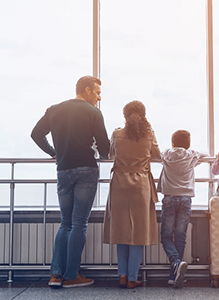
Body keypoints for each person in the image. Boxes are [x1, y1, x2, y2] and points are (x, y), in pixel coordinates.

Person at [31, 75, 110, 288]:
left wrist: (53, 152)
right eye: (97, 92)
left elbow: (36, 134)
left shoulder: (54, 109)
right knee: (79, 223)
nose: (99, 97)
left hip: (63, 170)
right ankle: (72, 275)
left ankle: (55, 275)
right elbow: (104, 147)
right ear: (86, 90)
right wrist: (102, 154)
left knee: (65, 223)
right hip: (86, 170)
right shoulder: (94, 112)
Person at [103, 100, 160, 289]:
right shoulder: (149, 135)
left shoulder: (117, 133)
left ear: (125, 116)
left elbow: (111, 154)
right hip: (140, 184)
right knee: (138, 232)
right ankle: (132, 277)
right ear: (144, 115)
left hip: (119, 183)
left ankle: (122, 275)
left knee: (121, 230)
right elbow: (157, 155)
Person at [157, 130, 208, 288]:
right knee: (180, 236)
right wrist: (191, 151)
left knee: (166, 236)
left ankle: (176, 265)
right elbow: (205, 154)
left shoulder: (166, 155)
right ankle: (176, 273)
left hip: (169, 198)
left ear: (172, 143)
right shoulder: (191, 155)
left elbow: (154, 154)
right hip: (186, 199)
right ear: (188, 144)